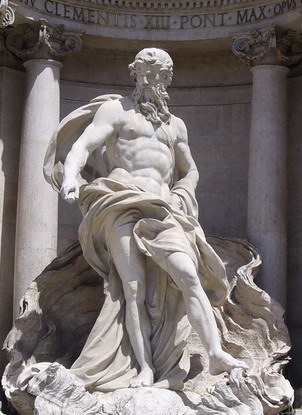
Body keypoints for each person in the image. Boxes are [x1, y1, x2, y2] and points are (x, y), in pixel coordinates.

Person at [45, 47, 245, 391]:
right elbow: (83, 145)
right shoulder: (116, 111)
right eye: (147, 74)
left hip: (165, 208)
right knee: (131, 288)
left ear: (168, 80)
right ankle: (144, 369)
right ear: (135, 75)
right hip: (121, 201)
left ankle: (215, 352)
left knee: (187, 274)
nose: (154, 81)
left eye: (161, 75)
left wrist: (183, 193)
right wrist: (71, 177)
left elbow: (190, 169)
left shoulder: (174, 126)